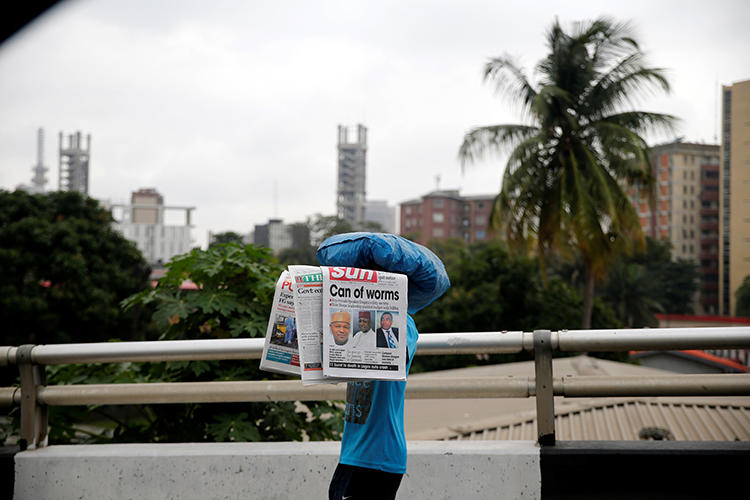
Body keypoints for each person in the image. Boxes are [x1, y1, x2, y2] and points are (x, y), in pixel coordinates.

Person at [317, 232, 450, 500]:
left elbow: (396, 356)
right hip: (357, 452)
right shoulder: (359, 331)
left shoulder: (405, 325)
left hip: (377, 456)